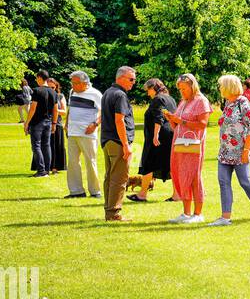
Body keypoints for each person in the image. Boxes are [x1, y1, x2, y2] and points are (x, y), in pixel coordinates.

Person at [209, 75, 250, 226]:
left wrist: (246, 150)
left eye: (221, 85)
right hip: (225, 151)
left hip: (240, 150)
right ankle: (225, 217)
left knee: (245, 182)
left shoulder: (243, 102)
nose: (220, 88)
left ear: (229, 87)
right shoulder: (228, 102)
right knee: (223, 182)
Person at [162, 73, 212, 224]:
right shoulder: (183, 102)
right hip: (179, 144)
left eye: (184, 88)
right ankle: (186, 213)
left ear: (192, 86)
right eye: (180, 89)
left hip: (192, 146)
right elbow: (177, 124)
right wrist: (172, 119)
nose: (182, 91)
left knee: (194, 176)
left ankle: (198, 213)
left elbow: (202, 124)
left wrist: (181, 121)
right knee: (182, 175)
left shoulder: (201, 101)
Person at [100, 66, 138, 222]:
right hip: (117, 141)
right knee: (119, 179)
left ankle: (109, 211)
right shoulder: (120, 95)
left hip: (107, 140)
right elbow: (119, 120)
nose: (133, 83)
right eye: (131, 79)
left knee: (110, 177)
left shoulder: (108, 92)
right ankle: (114, 214)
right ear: (120, 78)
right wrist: (126, 145)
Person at [132, 79, 176, 202]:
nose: (147, 93)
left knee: (148, 163)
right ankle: (177, 194)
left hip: (158, 137)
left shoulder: (158, 99)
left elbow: (159, 117)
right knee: (170, 165)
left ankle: (142, 194)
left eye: (148, 90)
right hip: (170, 135)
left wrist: (155, 135)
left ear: (154, 88)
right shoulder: (170, 99)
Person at [64, 71, 103, 199]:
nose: (73, 86)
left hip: (88, 133)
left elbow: (103, 112)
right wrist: (66, 124)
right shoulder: (72, 92)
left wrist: (95, 125)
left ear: (85, 83)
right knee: (73, 162)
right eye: (72, 83)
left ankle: (95, 191)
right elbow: (70, 109)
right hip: (72, 132)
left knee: (90, 161)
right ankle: (76, 191)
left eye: (76, 83)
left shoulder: (96, 94)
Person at [23, 70, 60, 177]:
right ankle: (46, 170)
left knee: (36, 146)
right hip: (48, 122)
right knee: (46, 145)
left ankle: (41, 171)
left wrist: (27, 122)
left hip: (37, 122)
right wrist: (54, 124)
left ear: (39, 78)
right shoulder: (54, 92)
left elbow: (33, 108)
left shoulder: (37, 91)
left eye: (36, 78)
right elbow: (56, 110)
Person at [47, 78, 68, 175]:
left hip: (57, 123)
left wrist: (54, 110)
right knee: (45, 146)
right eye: (49, 87)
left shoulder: (60, 96)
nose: (51, 89)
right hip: (45, 123)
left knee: (56, 146)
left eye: (53, 87)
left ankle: (55, 167)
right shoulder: (43, 95)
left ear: (56, 87)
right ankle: (45, 167)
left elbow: (64, 111)